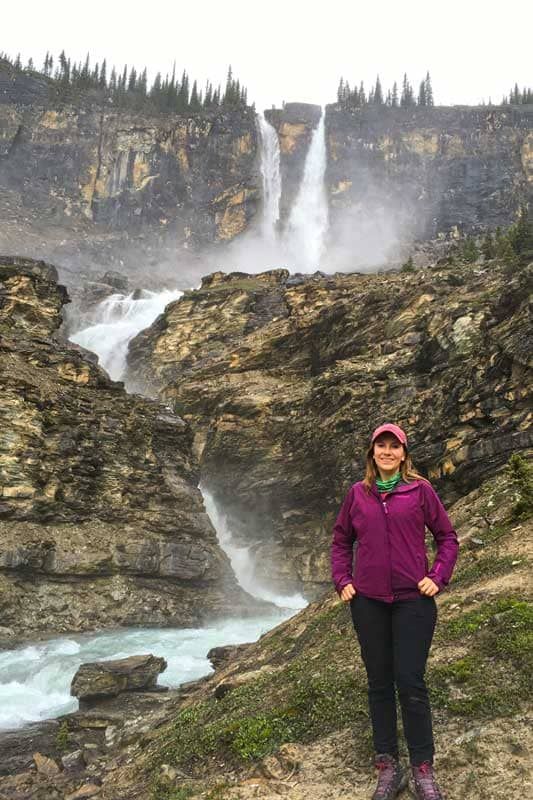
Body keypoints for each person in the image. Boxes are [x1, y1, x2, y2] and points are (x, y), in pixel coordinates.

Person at [331, 423, 459, 800]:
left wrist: (438, 576)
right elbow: (340, 541)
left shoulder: (420, 491)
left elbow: (447, 537)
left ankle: (423, 769)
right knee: (379, 684)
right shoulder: (358, 494)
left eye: (394, 446)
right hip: (368, 603)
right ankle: (388, 766)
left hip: (413, 602)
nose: (387, 451)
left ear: (404, 454)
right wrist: (343, 579)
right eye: (381, 445)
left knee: (411, 682)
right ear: (372, 453)